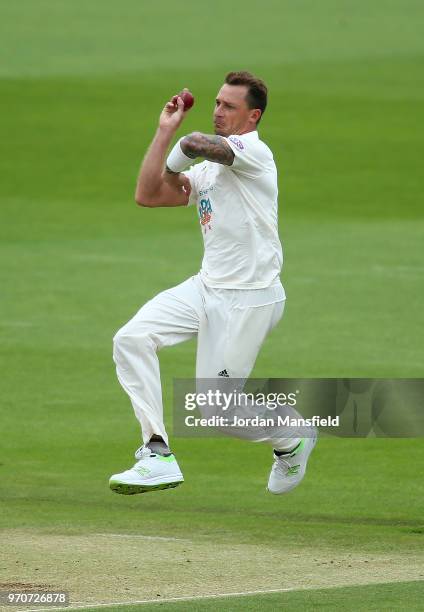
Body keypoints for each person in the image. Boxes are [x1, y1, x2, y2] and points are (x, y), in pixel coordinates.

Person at [109, 71, 317, 496]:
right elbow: (148, 194)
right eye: (217, 103)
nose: (218, 111)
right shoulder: (207, 174)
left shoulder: (255, 153)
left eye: (229, 106)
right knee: (131, 339)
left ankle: (291, 434)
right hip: (206, 287)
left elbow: (195, 144)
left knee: (216, 413)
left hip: (249, 299)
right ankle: (157, 452)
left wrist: (179, 146)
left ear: (253, 115)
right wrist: (164, 131)